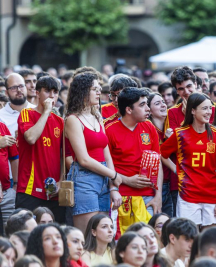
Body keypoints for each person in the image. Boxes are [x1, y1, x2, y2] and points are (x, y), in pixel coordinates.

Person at [65, 72, 122, 233]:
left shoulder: (97, 116)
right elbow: (83, 159)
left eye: (99, 89)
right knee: (87, 235)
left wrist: (112, 187)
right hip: (84, 178)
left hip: (104, 177)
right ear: (83, 91)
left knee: (102, 233)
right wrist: (114, 175)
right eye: (94, 89)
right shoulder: (72, 119)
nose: (99, 92)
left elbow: (107, 153)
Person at [161, 93, 216, 227]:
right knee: (190, 238)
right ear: (192, 110)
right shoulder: (180, 133)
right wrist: (177, 170)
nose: (209, 112)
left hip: (212, 195)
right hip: (188, 195)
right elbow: (162, 154)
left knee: (211, 238)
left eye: (210, 108)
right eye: (204, 108)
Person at [106, 87, 163, 236]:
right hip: (120, 197)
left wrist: (158, 197)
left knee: (150, 240)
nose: (148, 108)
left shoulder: (149, 127)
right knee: (121, 242)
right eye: (142, 105)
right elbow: (105, 167)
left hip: (148, 197)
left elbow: (158, 163)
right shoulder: (109, 130)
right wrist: (126, 181)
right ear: (129, 110)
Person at [15, 76, 65, 223]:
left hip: (54, 192)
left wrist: (61, 182)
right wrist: (46, 113)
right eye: (47, 91)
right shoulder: (26, 114)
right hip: (29, 189)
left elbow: (63, 156)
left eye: (55, 92)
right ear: (37, 93)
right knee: (26, 235)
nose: (52, 96)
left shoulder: (60, 122)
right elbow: (31, 138)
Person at [148, 92, 174, 217]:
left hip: (171, 183)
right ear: (149, 111)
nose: (163, 105)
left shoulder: (169, 128)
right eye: (157, 103)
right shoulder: (148, 130)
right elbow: (157, 156)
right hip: (156, 185)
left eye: (163, 102)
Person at [0, 119, 18, 229]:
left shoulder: (2, 126)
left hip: (7, 192)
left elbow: (14, 157)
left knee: (10, 231)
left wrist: (15, 184)